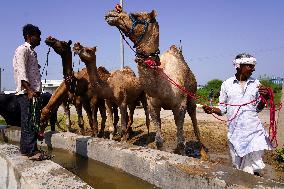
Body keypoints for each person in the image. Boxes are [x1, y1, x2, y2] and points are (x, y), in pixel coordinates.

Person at [203, 53, 272, 175]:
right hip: (235, 132)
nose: (253, 69)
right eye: (250, 66)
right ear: (239, 66)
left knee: (253, 166)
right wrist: (212, 110)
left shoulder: (256, 84)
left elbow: (258, 108)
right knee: (237, 167)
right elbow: (222, 109)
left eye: (253, 66)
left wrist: (264, 98)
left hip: (253, 130)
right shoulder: (226, 84)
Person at [13, 24, 47, 161]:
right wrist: (29, 90)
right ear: (29, 36)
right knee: (29, 122)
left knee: (32, 122)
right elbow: (21, 71)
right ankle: (31, 152)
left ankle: (26, 149)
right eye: (37, 36)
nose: (39, 39)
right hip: (27, 93)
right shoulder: (22, 50)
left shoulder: (32, 52)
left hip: (33, 92)